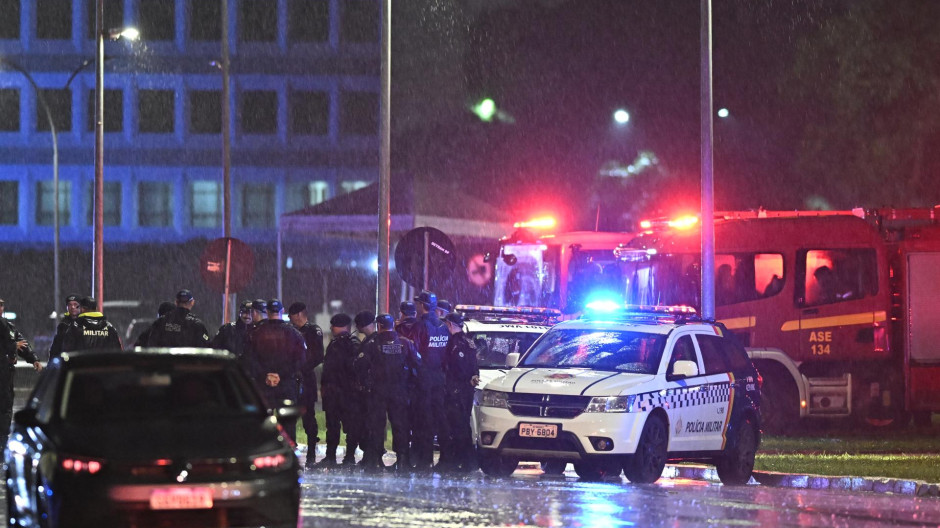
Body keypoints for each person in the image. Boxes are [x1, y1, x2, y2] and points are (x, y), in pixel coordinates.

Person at [364, 313, 420, 472]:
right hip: (399, 392)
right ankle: (402, 459)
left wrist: (367, 382)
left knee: (377, 425)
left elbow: (360, 365)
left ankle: (375, 460)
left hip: (378, 392)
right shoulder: (405, 343)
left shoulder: (373, 343)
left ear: (379, 326)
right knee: (400, 425)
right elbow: (418, 363)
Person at [247, 299, 307, 441]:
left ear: (267, 312)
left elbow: (250, 359)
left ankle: (264, 454)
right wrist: (281, 374)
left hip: (263, 384)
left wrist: (266, 375)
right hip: (287, 384)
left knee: (262, 422)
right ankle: (288, 455)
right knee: (287, 424)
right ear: (282, 311)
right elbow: (300, 360)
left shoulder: (256, 333)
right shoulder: (294, 334)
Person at [410, 290, 451, 472]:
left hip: (424, 380)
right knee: (440, 420)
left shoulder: (420, 326)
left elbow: (414, 352)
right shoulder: (443, 327)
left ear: (422, 306)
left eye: (418, 303)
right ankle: (446, 458)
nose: (417, 306)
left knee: (424, 420)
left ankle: (424, 460)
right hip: (440, 379)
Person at [314, 313, 360, 468]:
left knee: (348, 427)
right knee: (334, 427)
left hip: (345, 394)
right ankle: (333, 457)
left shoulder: (351, 343)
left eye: (332, 325)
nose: (331, 328)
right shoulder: (338, 343)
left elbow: (352, 369)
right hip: (336, 394)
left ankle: (347, 458)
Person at [440, 311, 480, 473]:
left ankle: (462, 462)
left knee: (457, 426)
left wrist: (453, 386)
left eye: (446, 324)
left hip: (457, 391)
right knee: (463, 425)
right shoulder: (468, 341)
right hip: (465, 390)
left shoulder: (457, 344)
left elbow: (459, 368)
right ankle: (466, 461)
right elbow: (473, 367)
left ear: (450, 325)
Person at [288, 301, 325, 465]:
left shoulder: (313, 331)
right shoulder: (289, 331)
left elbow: (318, 355)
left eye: (291, 316)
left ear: (298, 315)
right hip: (290, 378)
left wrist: (302, 368)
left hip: (306, 378)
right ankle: (291, 453)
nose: (290, 319)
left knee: (308, 417)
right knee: (289, 417)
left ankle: (311, 455)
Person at [146, 289, 211, 348]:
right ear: (192, 303)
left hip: (164, 360)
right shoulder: (196, 325)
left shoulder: (161, 321)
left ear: (176, 302)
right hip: (187, 360)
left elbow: (151, 344)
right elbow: (205, 347)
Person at [210, 300, 253, 369]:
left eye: (250, 313)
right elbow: (214, 349)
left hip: (249, 373)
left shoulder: (256, 331)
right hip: (229, 371)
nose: (247, 316)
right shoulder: (227, 329)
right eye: (245, 312)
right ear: (240, 313)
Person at [49, 293, 82, 359]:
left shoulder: (86, 322)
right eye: (70, 305)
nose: (72, 307)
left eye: (75, 304)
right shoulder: (63, 324)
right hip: (67, 360)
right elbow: (57, 344)